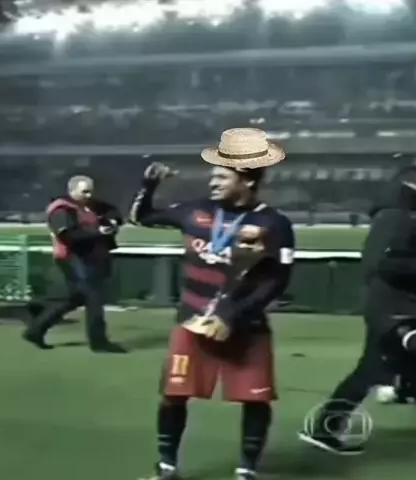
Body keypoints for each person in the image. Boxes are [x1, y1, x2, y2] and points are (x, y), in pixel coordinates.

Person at [129, 128, 295, 480]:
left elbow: (276, 281)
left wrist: (232, 314)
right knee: (173, 395)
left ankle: (247, 470)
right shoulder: (196, 211)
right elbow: (142, 217)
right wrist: (149, 186)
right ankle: (167, 467)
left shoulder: (274, 224)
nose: (213, 182)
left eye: (222, 177)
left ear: (247, 180)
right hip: (191, 322)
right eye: (213, 176)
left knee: (255, 399)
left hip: (246, 327)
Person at [298, 165, 416, 454]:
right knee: (378, 371)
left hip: (405, 307)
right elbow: (381, 264)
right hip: (394, 310)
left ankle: (324, 430)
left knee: (409, 371)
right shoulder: (395, 216)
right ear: (411, 185)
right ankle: (323, 429)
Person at [22, 175, 125, 353]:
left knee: (75, 298)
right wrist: (99, 232)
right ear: (72, 190)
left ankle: (36, 329)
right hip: (74, 258)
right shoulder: (61, 210)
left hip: (90, 258)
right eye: (84, 192)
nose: (89, 195)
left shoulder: (88, 204)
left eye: (90, 192)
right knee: (94, 299)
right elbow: (68, 236)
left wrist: (113, 221)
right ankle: (99, 343)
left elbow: (112, 210)